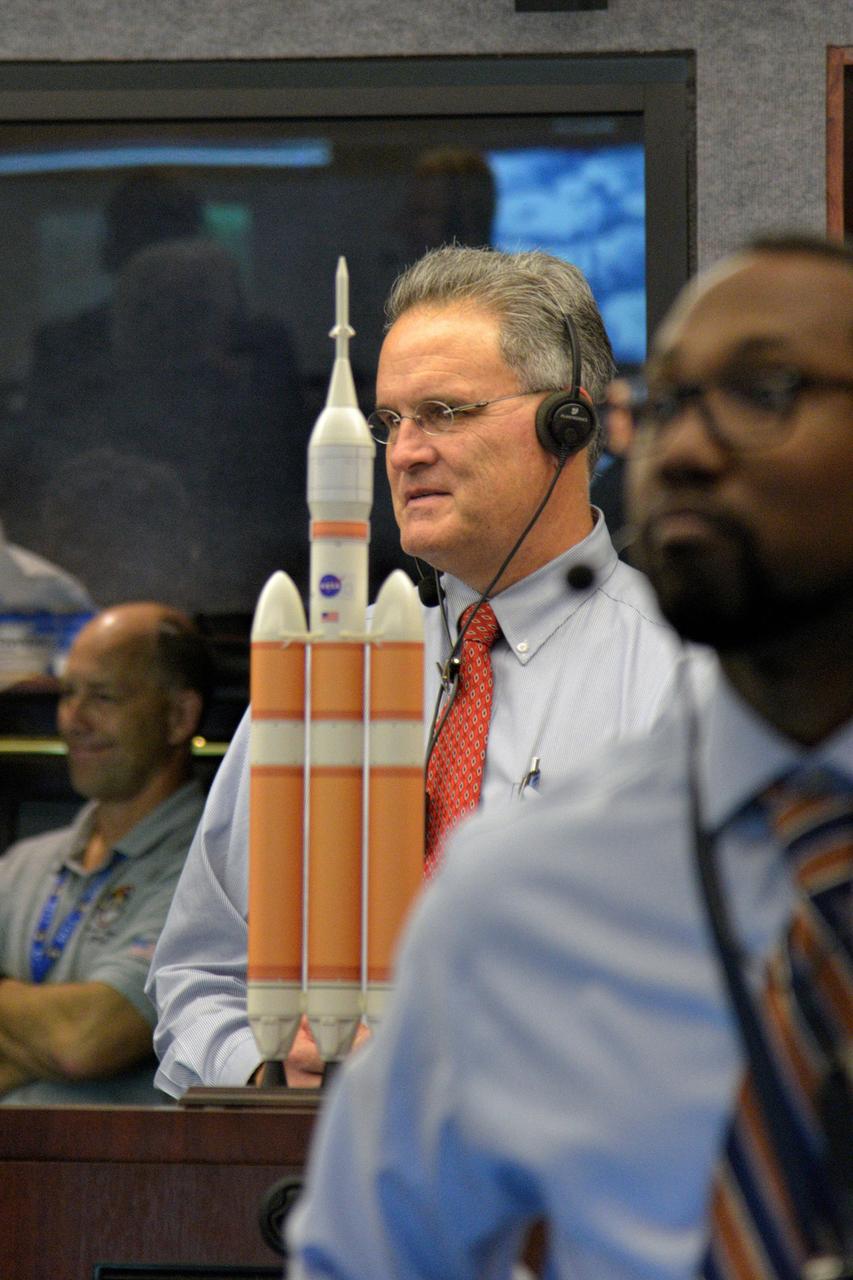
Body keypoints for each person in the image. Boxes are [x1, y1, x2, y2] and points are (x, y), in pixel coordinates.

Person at [285, 234, 853, 1279]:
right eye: (672, 404)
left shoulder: (654, 690)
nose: (683, 451)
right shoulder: (518, 888)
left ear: (567, 424)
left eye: (762, 394)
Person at [148, 245, 691, 1094]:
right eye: (389, 422)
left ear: (569, 424)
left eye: (443, 412)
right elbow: (198, 970)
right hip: (311, 1186)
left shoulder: (682, 681)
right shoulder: (323, 675)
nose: (402, 455)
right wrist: (256, 1064)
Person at [0, 602, 214, 1104]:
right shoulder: (24, 863)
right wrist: (40, 1038)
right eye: (68, 692)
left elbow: (87, 1040)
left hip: (116, 1180)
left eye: (102, 696)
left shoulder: (211, 870)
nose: (73, 719)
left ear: (179, 716)